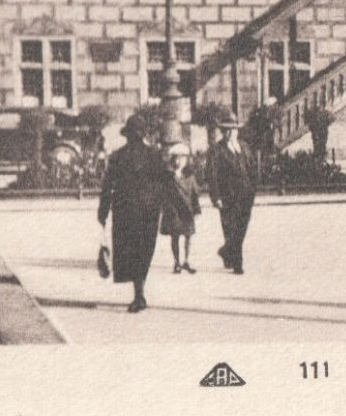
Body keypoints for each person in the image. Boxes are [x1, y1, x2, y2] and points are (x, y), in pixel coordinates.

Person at [97, 113, 174, 313]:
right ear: (143, 134)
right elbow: (167, 181)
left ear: (128, 135)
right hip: (149, 211)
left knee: (130, 251)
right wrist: (168, 207)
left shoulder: (118, 156)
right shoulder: (154, 155)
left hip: (125, 211)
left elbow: (107, 186)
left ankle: (138, 293)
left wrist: (103, 212)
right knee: (144, 251)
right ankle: (139, 292)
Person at [205, 116, 258, 275]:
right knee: (231, 228)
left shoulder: (244, 146)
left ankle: (226, 251)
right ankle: (237, 263)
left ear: (237, 130)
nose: (230, 133)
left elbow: (253, 167)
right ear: (222, 132)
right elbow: (211, 175)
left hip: (246, 195)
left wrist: (254, 188)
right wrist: (216, 197)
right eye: (226, 130)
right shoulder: (216, 149)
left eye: (233, 129)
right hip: (228, 195)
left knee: (241, 227)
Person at [160, 142, 202, 274]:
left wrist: (196, 208)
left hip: (187, 210)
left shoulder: (189, 175)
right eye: (177, 158)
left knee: (189, 235)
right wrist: (167, 209)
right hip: (174, 210)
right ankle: (177, 262)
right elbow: (164, 194)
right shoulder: (168, 176)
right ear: (173, 159)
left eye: (183, 158)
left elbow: (195, 193)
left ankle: (187, 261)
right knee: (175, 236)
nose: (180, 161)